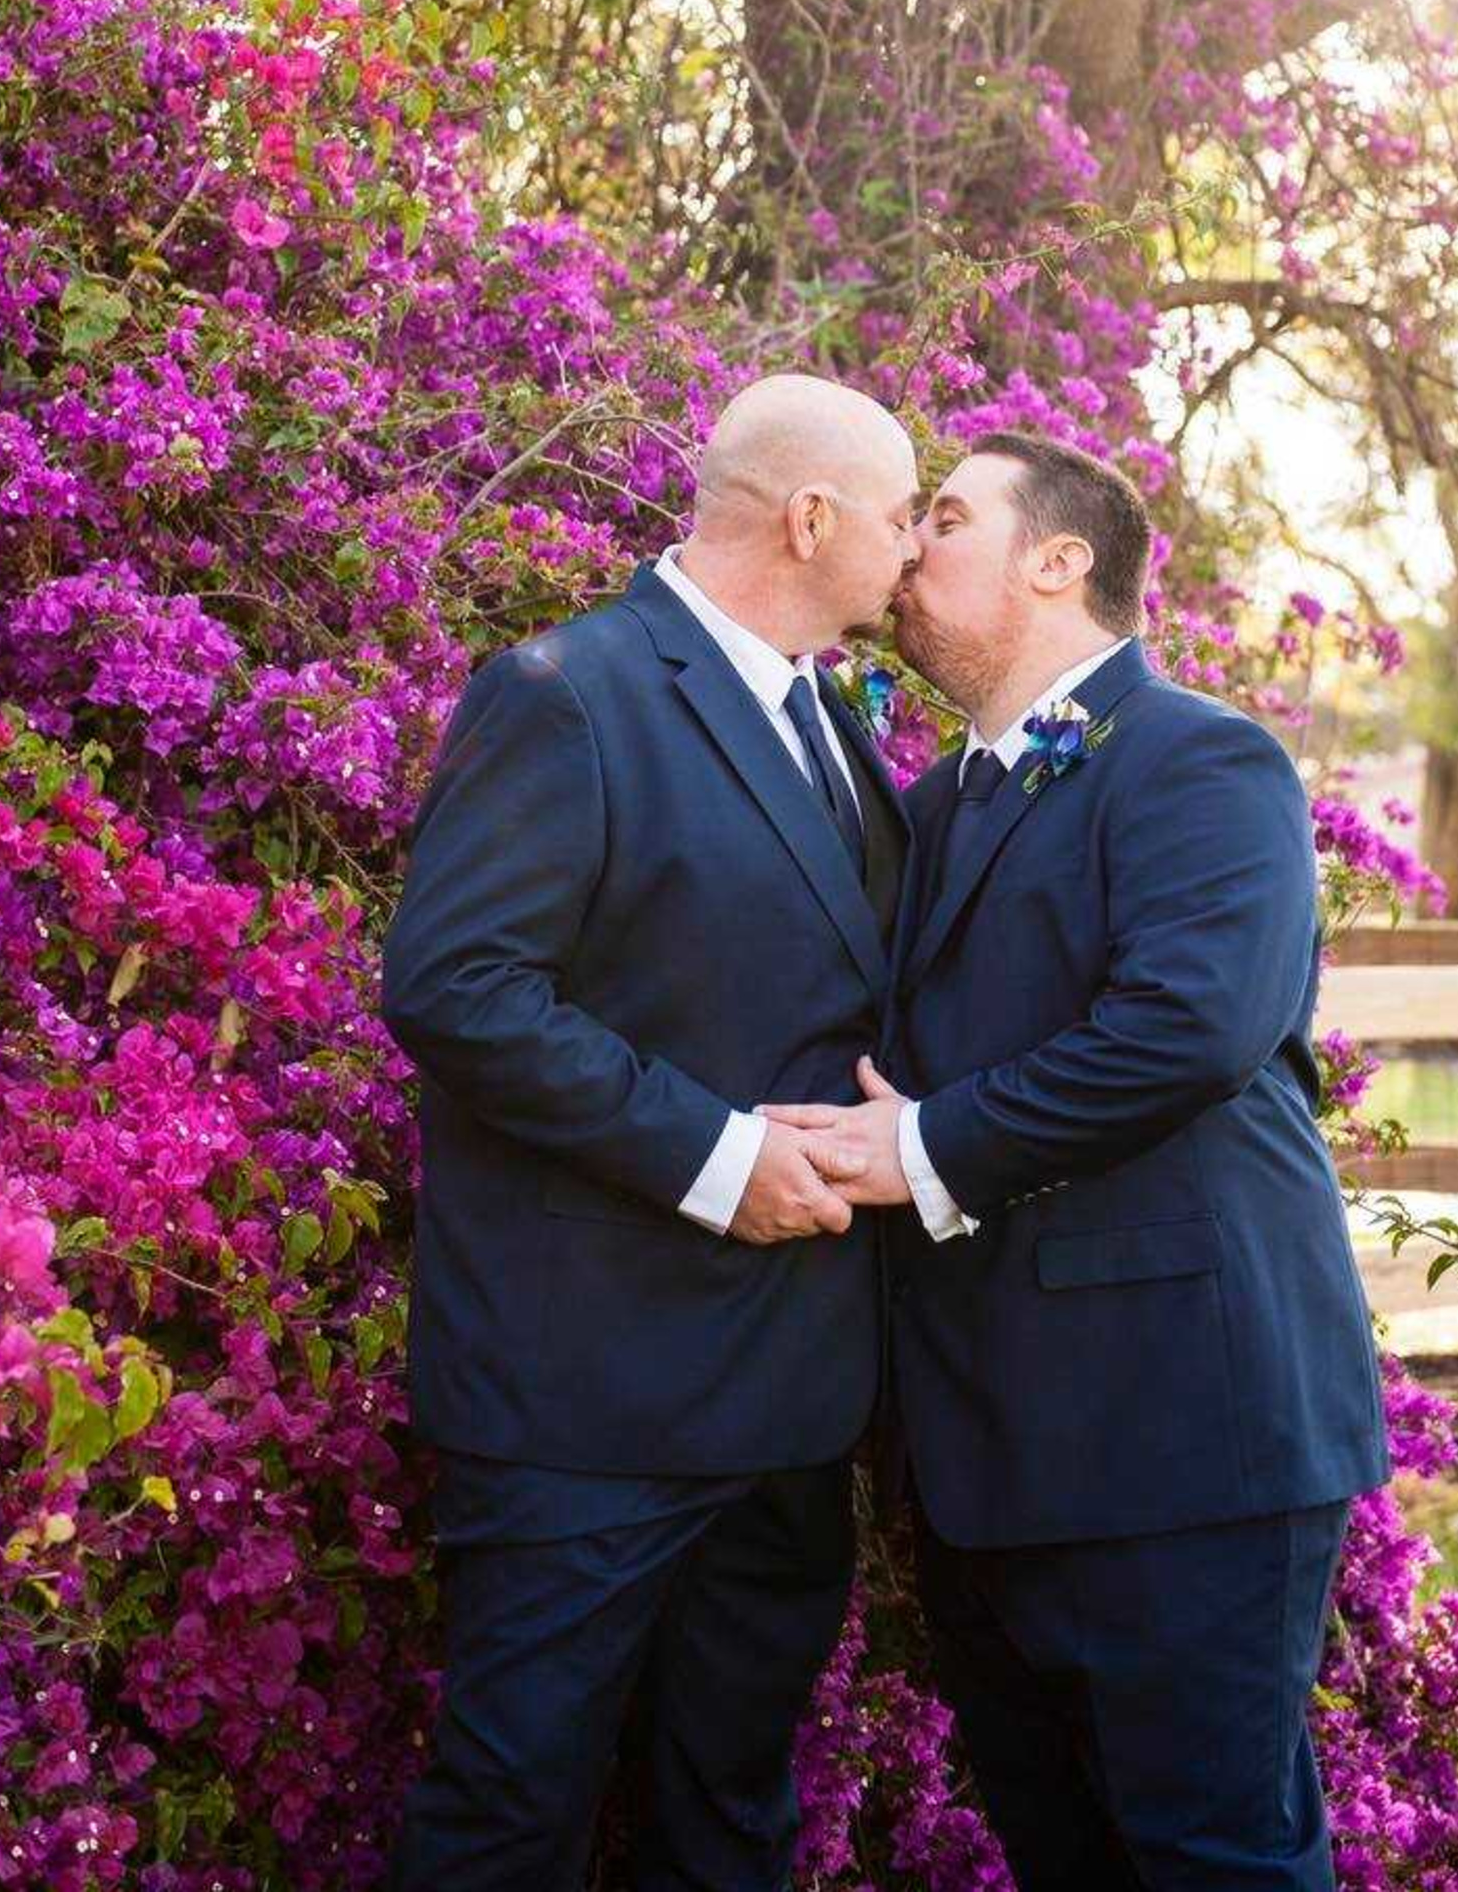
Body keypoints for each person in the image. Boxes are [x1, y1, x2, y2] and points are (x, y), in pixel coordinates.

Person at [768, 429, 1390, 1892]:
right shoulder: (933, 807)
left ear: (1060, 560)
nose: (909, 545)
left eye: (950, 517)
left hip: (1183, 1433)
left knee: (1212, 1858)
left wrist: (915, 1142)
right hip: (993, 1454)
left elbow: (1189, 1026)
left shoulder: (1203, 760)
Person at [379, 372, 918, 1892]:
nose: (912, 550)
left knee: (730, 1816)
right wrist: (718, 1152)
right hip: (584, 1403)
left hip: (787, 1408)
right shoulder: (568, 693)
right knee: (510, 1818)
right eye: (895, 514)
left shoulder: (828, 714)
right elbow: (456, 986)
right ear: (811, 517)